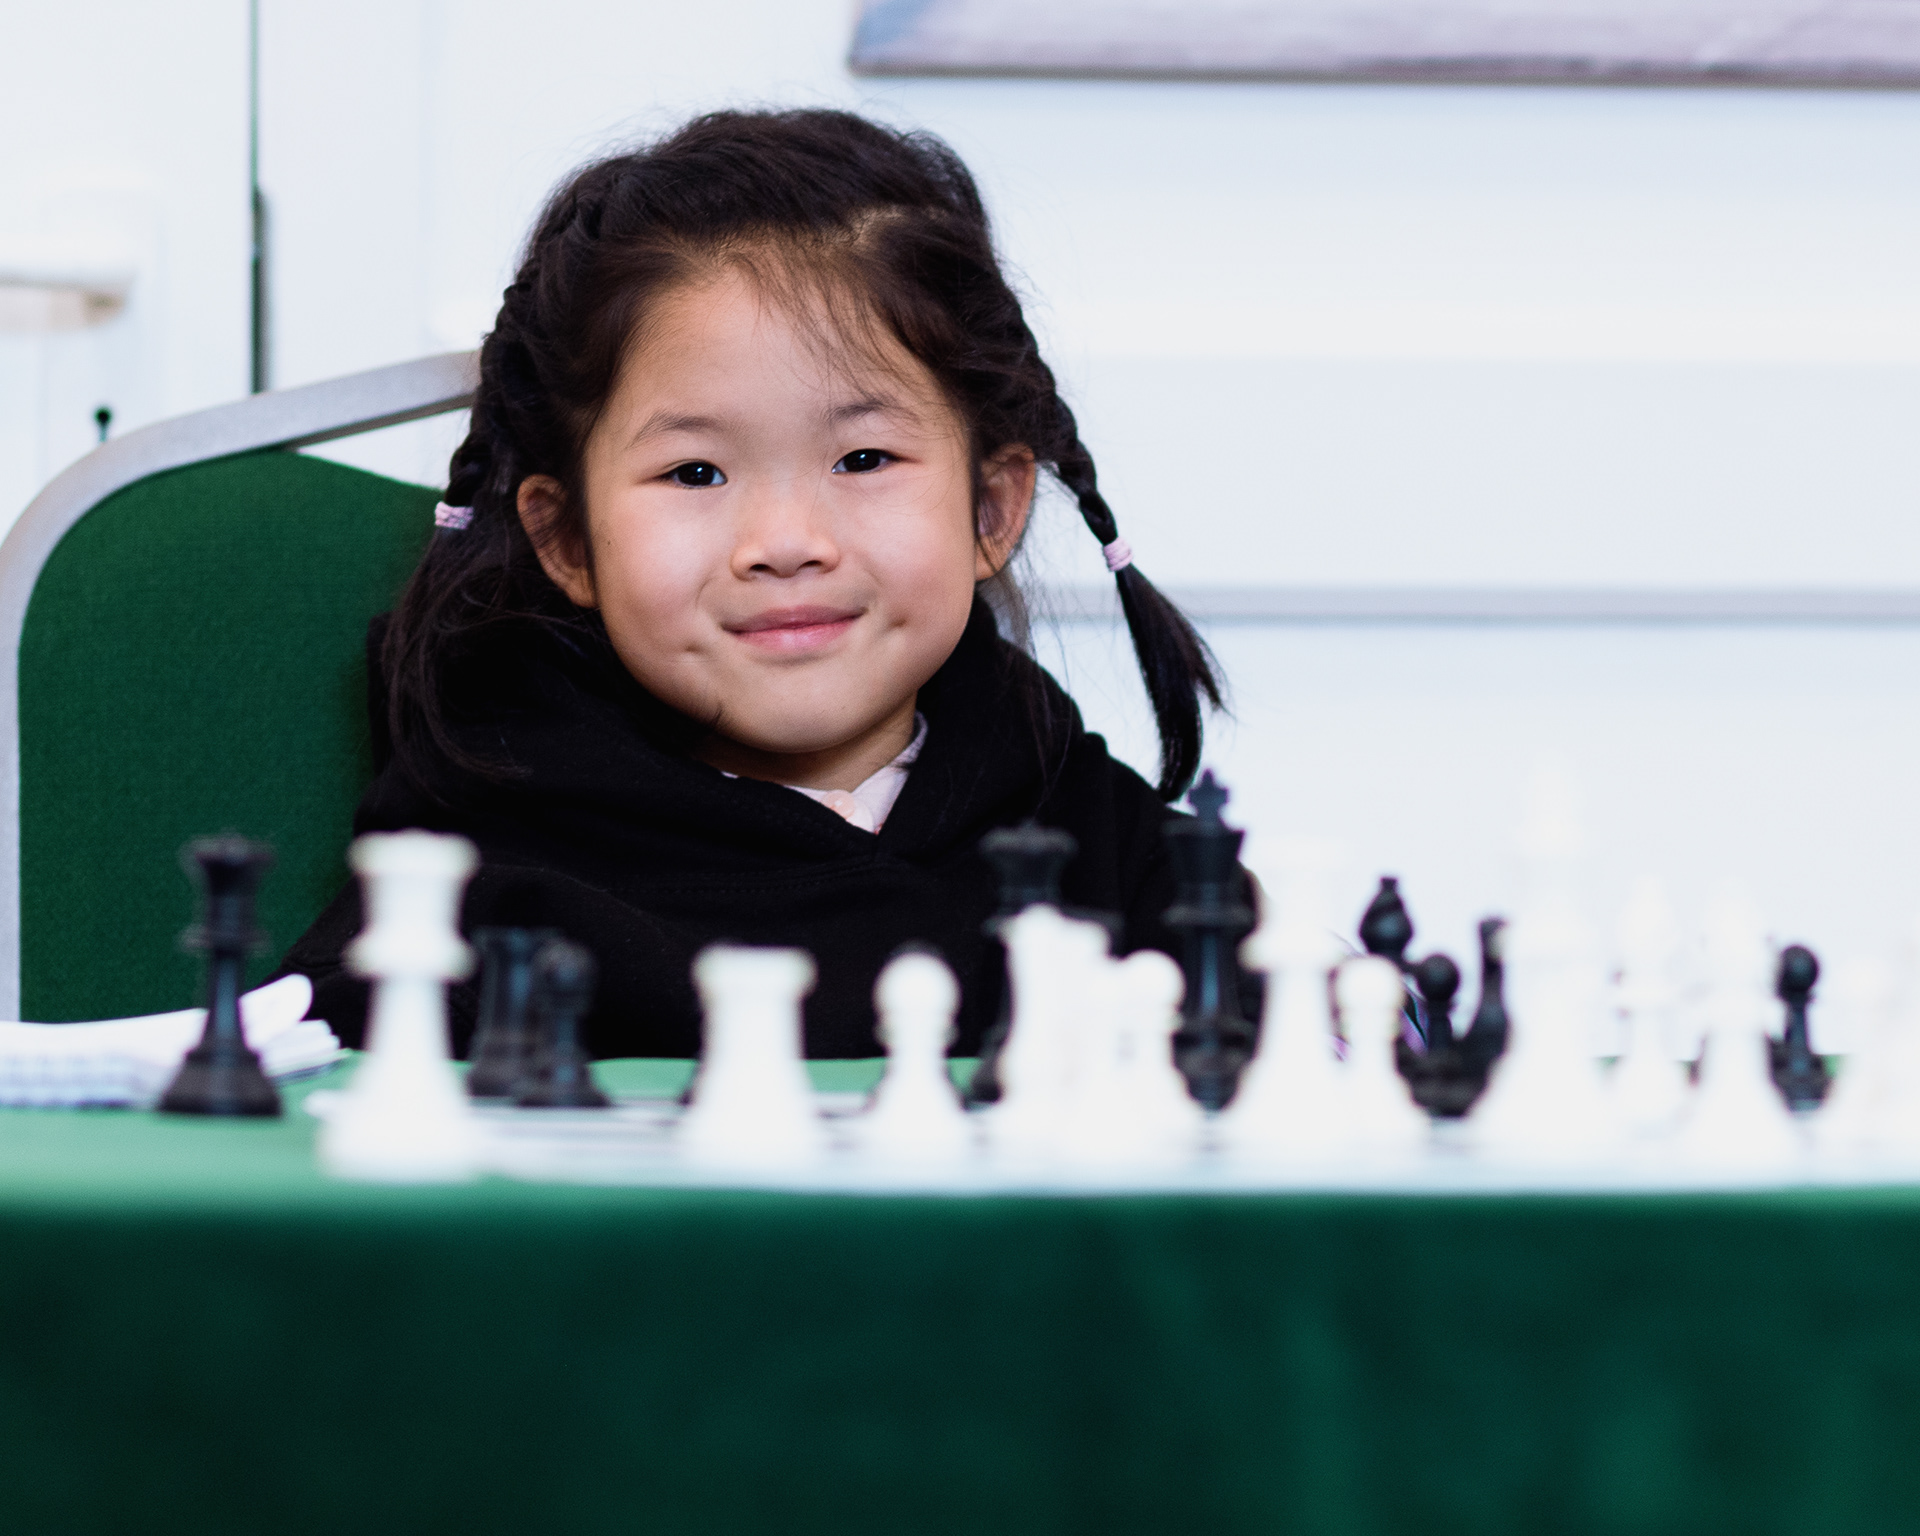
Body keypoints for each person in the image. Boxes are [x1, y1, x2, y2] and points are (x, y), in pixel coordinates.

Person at [277, 108, 1225, 1059]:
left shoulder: (1104, 843)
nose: (785, 544)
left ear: (990, 509)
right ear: (568, 542)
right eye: (695, 473)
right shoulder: (470, 883)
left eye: (863, 458)